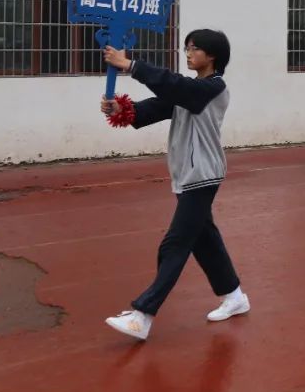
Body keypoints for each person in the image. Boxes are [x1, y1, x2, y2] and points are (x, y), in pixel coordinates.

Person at [99, 30, 247, 341]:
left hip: (202, 176)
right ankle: (234, 296)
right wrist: (122, 110)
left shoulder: (212, 88)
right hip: (188, 176)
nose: (188, 53)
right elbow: (155, 106)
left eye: (195, 49)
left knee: (175, 245)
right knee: (204, 240)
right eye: (187, 48)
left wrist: (130, 65)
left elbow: (174, 85)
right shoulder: (190, 91)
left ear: (213, 56)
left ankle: (143, 314)